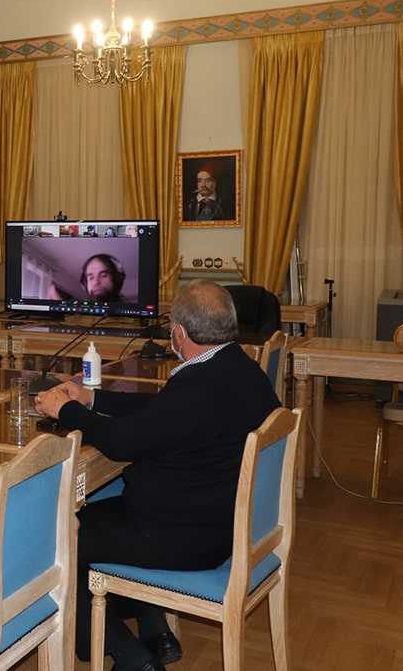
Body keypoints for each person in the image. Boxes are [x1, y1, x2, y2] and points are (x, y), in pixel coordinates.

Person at [35, 280, 280, 671]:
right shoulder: (239, 368)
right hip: (219, 522)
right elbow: (163, 410)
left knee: (53, 539)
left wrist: (64, 410)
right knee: (93, 516)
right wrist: (92, 399)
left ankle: (131, 657)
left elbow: (120, 443)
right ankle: (156, 631)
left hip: (181, 536)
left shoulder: (199, 386)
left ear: (179, 333)